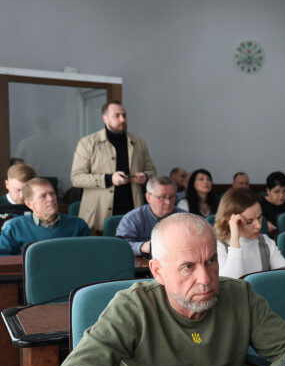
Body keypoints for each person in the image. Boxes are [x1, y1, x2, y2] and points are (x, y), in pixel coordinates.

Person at [45, 213, 285, 366]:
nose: (206, 279)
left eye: (211, 261)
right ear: (157, 272)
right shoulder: (132, 307)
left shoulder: (240, 295)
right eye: (188, 267)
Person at [70, 101, 157, 231]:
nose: (122, 119)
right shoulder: (87, 143)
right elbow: (76, 178)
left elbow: (152, 171)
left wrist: (145, 176)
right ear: (105, 119)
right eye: (116, 116)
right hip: (98, 215)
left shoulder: (138, 143)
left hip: (132, 212)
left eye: (124, 115)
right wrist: (109, 179)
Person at [0, 178, 90, 255]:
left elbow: (89, 255)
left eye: (52, 193)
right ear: (29, 204)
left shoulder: (78, 224)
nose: (51, 199)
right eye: (43, 196)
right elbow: (3, 258)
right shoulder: (14, 227)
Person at [215, 188, 285, 278]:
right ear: (231, 222)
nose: (258, 226)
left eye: (259, 217)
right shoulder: (219, 246)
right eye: (249, 221)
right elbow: (231, 283)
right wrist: (234, 237)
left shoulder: (265, 242)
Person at [116, 176, 185, 256]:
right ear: (148, 197)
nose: (168, 202)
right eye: (162, 197)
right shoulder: (132, 219)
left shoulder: (184, 218)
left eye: (172, 197)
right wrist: (142, 247)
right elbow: (121, 246)